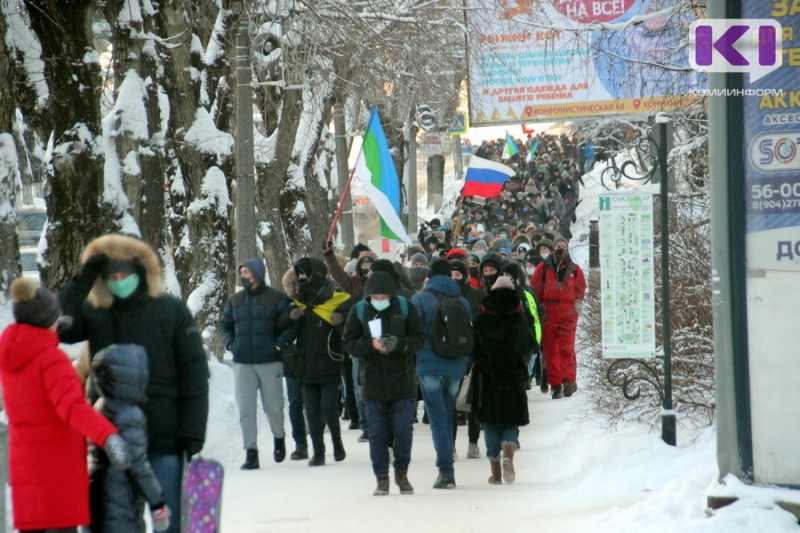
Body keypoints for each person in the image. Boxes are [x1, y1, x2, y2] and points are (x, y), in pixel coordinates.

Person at [59, 234, 209, 533]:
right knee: (117, 524)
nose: (118, 280)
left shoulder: (172, 311)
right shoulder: (95, 311)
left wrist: (193, 431)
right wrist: (86, 275)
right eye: (111, 276)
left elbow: (193, 373)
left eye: (124, 274)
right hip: (112, 440)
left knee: (169, 522)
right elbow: (61, 325)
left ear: (140, 272)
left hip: (164, 436)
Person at [0, 277, 132, 533]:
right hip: (56, 469)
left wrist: (51, 331)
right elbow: (73, 408)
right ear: (47, 319)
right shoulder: (51, 360)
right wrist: (108, 436)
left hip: (26, 467)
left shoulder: (10, 355)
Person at [342, 272, 425, 495]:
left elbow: (419, 338)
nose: (380, 299)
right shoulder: (359, 310)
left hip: (403, 380)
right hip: (373, 382)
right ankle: (381, 478)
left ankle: (402, 473)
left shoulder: (405, 308)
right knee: (377, 433)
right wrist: (371, 345)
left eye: (384, 295)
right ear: (368, 295)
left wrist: (398, 343)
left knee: (403, 430)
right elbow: (349, 342)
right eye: (376, 296)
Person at [219, 257, 300, 470]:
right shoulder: (235, 301)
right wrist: (230, 344)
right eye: (241, 272)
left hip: (270, 360)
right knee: (246, 408)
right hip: (242, 362)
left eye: (246, 272)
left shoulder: (277, 298)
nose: (243, 276)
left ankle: (279, 437)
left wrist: (279, 344)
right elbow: (224, 325)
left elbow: (293, 323)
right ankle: (251, 452)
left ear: (257, 274)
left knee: (273, 407)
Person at [89, 344, 171, 533]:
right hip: (122, 505)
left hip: (98, 501)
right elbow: (137, 464)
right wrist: (157, 500)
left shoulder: (101, 406)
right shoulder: (130, 415)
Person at [471, 265, 536, 484]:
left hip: (488, 377)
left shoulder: (481, 318)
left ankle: (495, 471)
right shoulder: (518, 319)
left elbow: (473, 349)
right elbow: (529, 345)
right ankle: (509, 450)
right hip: (513, 376)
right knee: (510, 421)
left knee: (490, 422)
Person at [410, 259, 472, 489]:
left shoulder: (419, 299)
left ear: (430, 276)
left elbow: (413, 331)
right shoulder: (462, 301)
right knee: (447, 414)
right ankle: (447, 463)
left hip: (429, 366)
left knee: (437, 418)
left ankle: (446, 472)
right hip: (456, 366)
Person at [286, 257, 352, 466]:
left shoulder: (337, 299)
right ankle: (319, 452)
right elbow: (282, 327)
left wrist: (340, 322)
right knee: (312, 411)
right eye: (299, 274)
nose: (302, 278)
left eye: (305, 274)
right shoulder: (296, 301)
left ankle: (337, 442)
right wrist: (289, 317)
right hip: (304, 363)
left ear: (317, 274)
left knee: (329, 408)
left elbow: (351, 328)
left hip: (329, 360)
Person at [531, 236, 586, 399]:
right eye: (558, 246)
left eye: (563, 245)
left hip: (568, 312)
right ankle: (556, 384)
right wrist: (539, 308)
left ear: (567, 248)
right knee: (550, 350)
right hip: (549, 312)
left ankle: (569, 380)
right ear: (553, 248)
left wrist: (577, 303)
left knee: (566, 348)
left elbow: (581, 286)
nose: (560, 248)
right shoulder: (543, 268)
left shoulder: (575, 269)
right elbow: (535, 288)